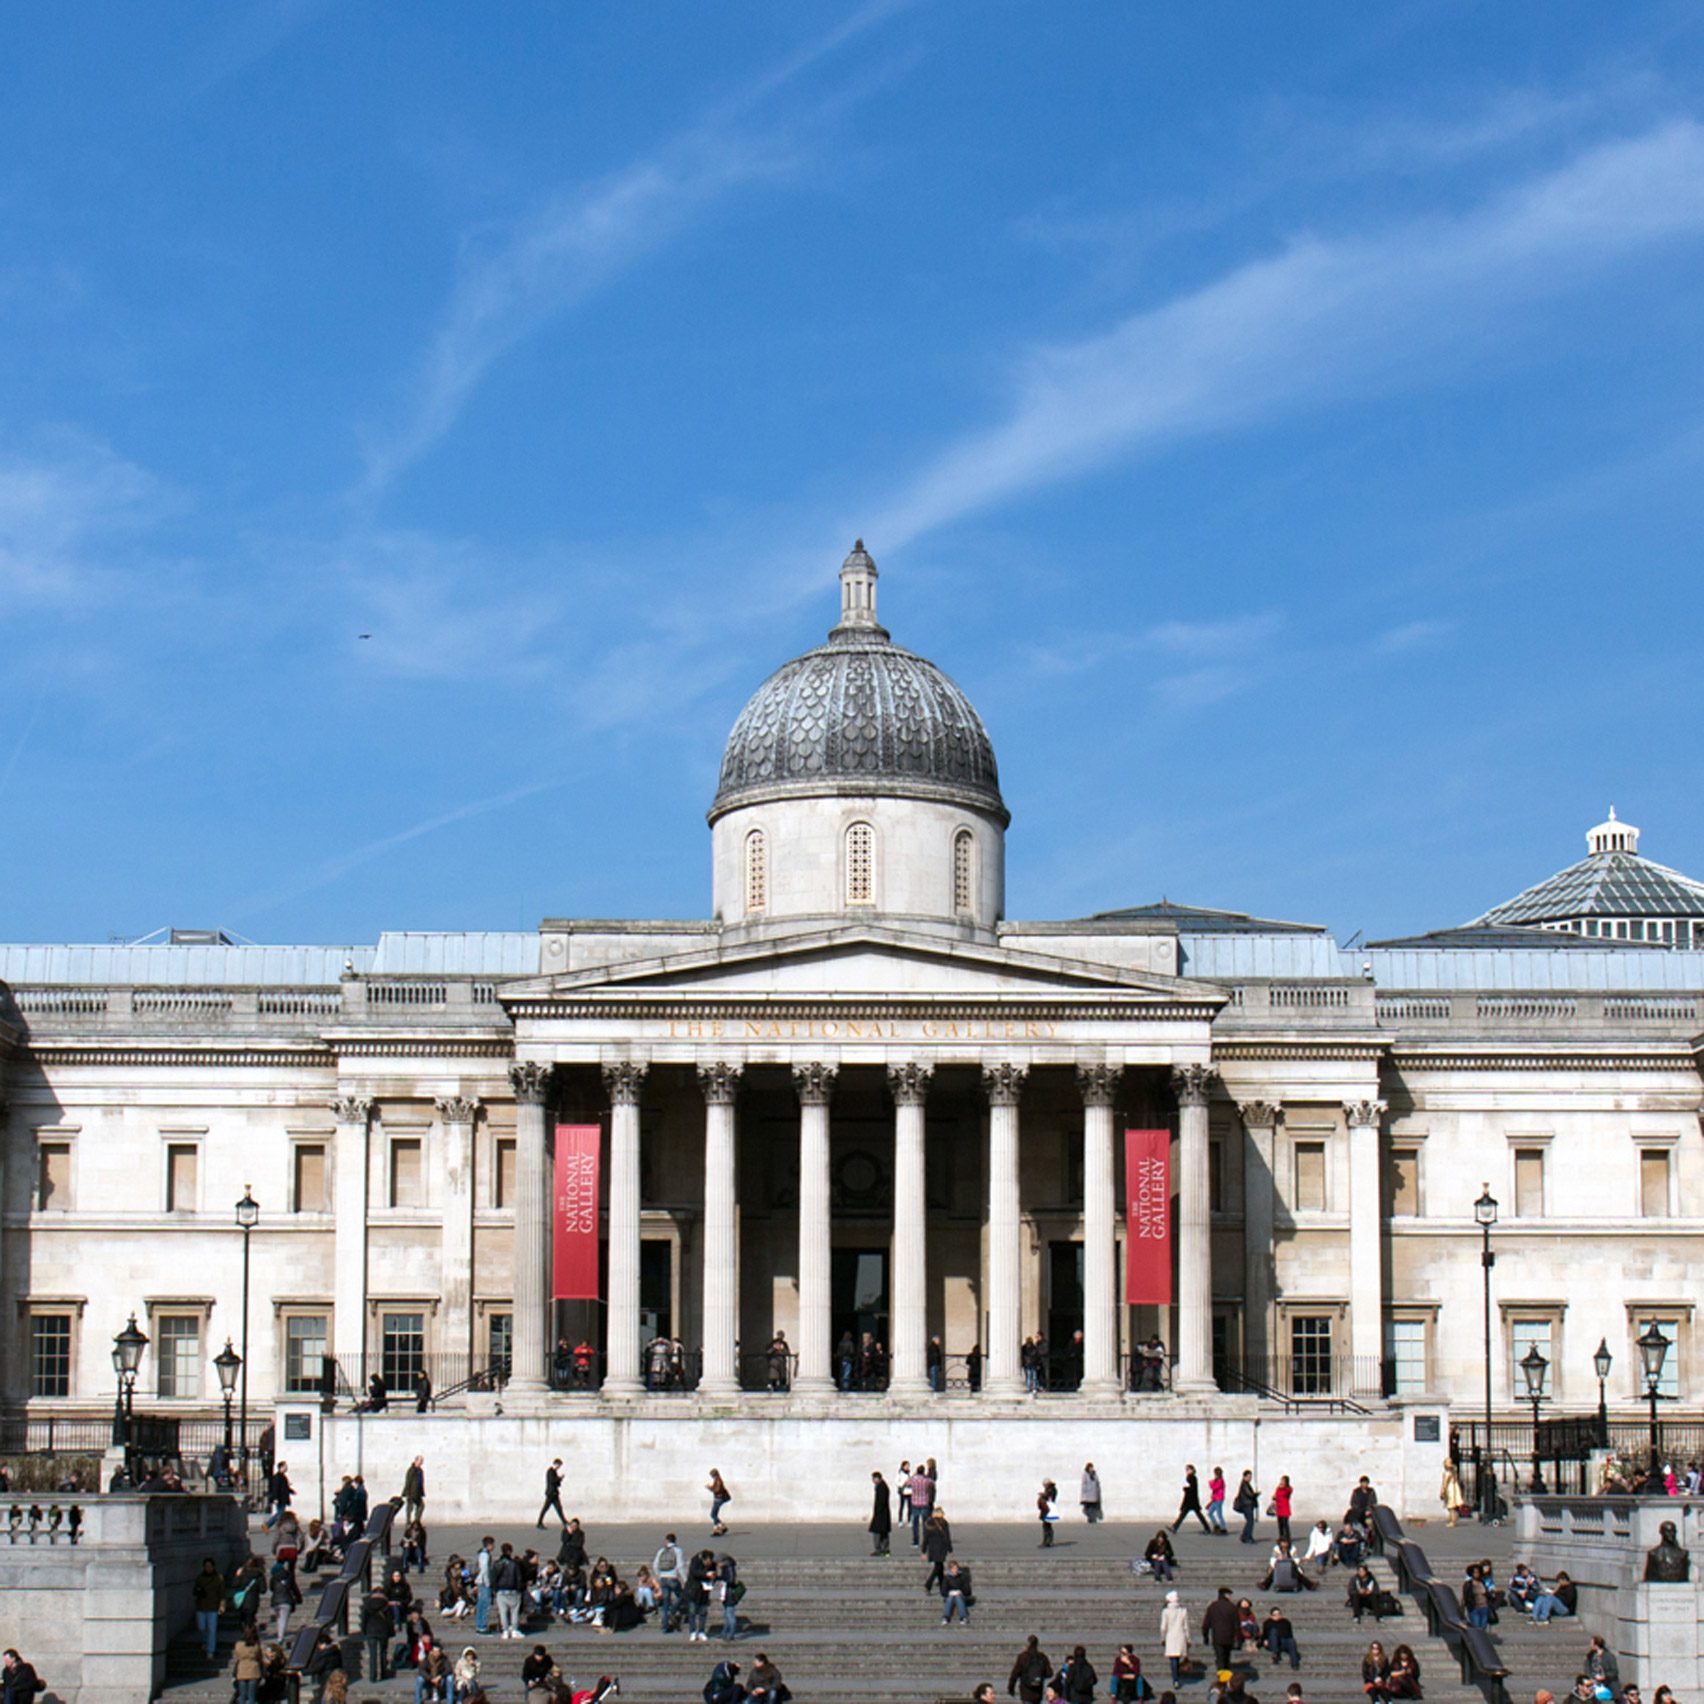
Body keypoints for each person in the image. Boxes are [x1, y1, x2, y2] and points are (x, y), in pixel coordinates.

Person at [193, 1556, 225, 1659]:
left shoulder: (218, 1578)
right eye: (206, 1566)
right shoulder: (200, 1578)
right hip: (201, 1607)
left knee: (212, 1630)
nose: (208, 1568)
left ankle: (210, 1651)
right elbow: (194, 1591)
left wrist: (222, 1605)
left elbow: (222, 1593)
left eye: (210, 1566)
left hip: (213, 1607)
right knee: (202, 1628)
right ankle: (205, 1642)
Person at [1203, 1586, 1240, 1674]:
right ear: (1226, 1595)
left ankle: (1221, 1678)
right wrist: (1238, 1638)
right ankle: (1226, 1676)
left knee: (1220, 1658)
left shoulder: (1212, 1607)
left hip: (1217, 1637)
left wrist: (1206, 1636)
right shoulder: (1232, 1607)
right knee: (1226, 1658)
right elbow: (1237, 1625)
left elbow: (1206, 1624)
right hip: (1229, 1637)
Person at [492, 1541, 525, 1639]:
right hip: (513, 1590)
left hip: (501, 1591)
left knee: (503, 1612)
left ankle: (505, 1630)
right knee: (514, 1611)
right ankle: (514, 1629)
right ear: (510, 1551)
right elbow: (518, 1577)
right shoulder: (514, 1564)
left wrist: (495, 1589)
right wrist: (520, 1589)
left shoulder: (497, 1564)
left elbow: (493, 1577)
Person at [655, 1531, 687, 1631]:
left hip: (663, 1578)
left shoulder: (661, 1550)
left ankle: (665, 1627)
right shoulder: (678, 1550)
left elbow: (655, 1565)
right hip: (673, 1578)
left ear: (666, 1540)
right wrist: (685, 1579)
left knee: (665, 1602)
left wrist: (659, 1575)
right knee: (682, 1596)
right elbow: (680, 1566)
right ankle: (673, 1611)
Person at [303, 1627, 344, 1704]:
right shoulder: (335, 1651)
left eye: (319, 1644)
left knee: (327, 1699)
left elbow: (317, 1667)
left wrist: (302, 1672)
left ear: (324, 1644)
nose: (318, 1647)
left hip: (327, 1679)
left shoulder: (326, 1654)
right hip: (335, 1679)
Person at [361, 1589, 393, 1682]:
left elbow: (364, 1619)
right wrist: (391, 1632)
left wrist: (364, 1630)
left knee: (373, 1654)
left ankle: (372, 1676)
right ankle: (383, 1673)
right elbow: (389, 1620)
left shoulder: (367, 1604)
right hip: (383, 1630)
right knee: (383, 1652)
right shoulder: (386, 1605)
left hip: (371, 1630)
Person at [1009, 1634, 1053, 1703]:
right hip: (1038, 1692)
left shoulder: (1023, 1657)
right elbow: (1049, 1673)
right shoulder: (1042, 1657)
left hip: (1026, 1692)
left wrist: (1011, 1689)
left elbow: (1014, 1674)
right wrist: (1039, 1675)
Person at [1161, 1590, 1191, 1688]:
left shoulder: (1165, 1611)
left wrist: (1162, 1638)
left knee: (1172, 1658)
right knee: (1177, 1657)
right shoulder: (1183, 1611)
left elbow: (1163, 1627)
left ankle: (1175, 1679)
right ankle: (1177, 1677)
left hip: (1170, 1637)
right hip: (1180, 1636)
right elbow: (1186, 1627)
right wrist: (1188, 1639)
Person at [269, 1556, 302, 1643]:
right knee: (283, 1619)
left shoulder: (273, 1578)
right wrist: (299, 1598)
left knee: (278, 1619)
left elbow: (271, 1588)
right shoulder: (289, 1576)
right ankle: (280, 1637)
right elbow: (294, 1588)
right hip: (286, 1601)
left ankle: (280, 1635)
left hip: (275, 1601)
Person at [922, 1508, 954, 1594]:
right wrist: (950, 1549)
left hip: (932, 1549)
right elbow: (947, 1537)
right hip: (941, 1548)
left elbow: (926, 1538)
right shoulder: (943, 1523)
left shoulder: (928, 1523)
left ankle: (943, 1587)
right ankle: (928, 1585)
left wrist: (923, 1550)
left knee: (940, 1567)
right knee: (938, 1567)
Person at [686, 1545, 714, 1641]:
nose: (708, 1564)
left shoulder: (712, 1564)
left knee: (703, 1612)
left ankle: (701, 1631)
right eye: (707, 1562)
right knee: (692, 1612)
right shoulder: (695, 1561)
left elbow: (714, 1574)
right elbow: (694, 1573)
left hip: (704, 1592)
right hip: (693, 1591)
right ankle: (692, 1631)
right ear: (703, 1559)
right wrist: (706, 1574)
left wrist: (712, 1578)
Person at [231, 1625, 265, 1704]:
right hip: (254, 1671)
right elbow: (259, 1657)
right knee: (251, 1697)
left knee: (242, 1696)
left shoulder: (238, 1645)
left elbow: (237, 1655)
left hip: (242, 1671)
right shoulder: (256, 1645)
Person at [1175, 1466, 1211, 1534]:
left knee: (1185, 1514)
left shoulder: (1192, 1478)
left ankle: (1175, 1527)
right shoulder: (1191, 1478)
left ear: (1192, 1470)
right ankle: (1175, 1527)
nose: (1187, 1471)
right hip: (1191, 1500)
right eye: (1186, 1470)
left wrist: (1186, 1489)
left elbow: (1192, 1489)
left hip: (1191, 1500)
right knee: (1186, 1514)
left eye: (1188, 1469)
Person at [941, 1556, 973, 1625]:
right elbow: (943, 1591)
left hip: (962, 1595)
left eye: (956, 1568)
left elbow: (968, 1590)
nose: (955, 1570)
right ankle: (946, 1617)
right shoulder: (946, 1578)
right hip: (950, 1595)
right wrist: (950, 1593)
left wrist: (961, 1591)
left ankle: (963, 1617)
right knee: (950, 1598)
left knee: (958, 1597)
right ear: (950, 1569)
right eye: (953, 1568)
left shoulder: (962, 1576)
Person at [539, 1459, 567, 1529]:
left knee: (559, 1508)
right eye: (559, 1465)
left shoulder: (554, 1472)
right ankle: (539, 1523)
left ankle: (564, 1522)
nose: (559, 1467)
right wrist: (559, 1478)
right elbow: (552, 1481)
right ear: (556, 1464)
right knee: (546, 1508)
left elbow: (556, 1482)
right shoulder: (550, 1471)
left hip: (554, 1493)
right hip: (551, 1493)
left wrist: (559, 1479)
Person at [870, 1470, 893, 1556]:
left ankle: (879, 1549)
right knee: (884, 1532)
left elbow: (881, 1502)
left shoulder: (881, 1487)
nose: (872, 1481)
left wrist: (877, 1513)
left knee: (877, 1532)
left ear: (877, 1478)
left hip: (881, 1514)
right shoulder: (882, 1486)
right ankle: (885, 1549)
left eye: (873, 1479)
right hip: (883, 1514)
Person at [1235, 1471, 1261, 1544]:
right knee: (1250, 1521)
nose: (1250, 1478)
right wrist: (1256, 1494)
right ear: (1244, 1476)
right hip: (1247, 1505)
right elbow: (1249, 1494)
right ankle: (1247, 1537)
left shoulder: (1246, 1484)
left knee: (1249, 1521)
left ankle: (1244, 1536)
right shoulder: (1245, 1484)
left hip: (1247, 1505)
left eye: (1250, 1477)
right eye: (1248, 1476)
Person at [265, 1462, 294, 1527]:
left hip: (282, 1498)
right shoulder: (278, 1477)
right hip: (280, 1498)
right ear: (281, 1467)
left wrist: (291, 1491)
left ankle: (277, 1526)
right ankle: (267, 1525)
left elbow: (284, 1487)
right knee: (280, 1514)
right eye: (285, 1466)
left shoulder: (282, 1476)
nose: (286, 1468)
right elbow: (275, 1488)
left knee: (281, 1513)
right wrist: (275, 1498)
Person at [1440, 1460, 1466, 1527]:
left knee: (1451, 1506)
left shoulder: (1447, 1473)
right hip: (1454, 1488)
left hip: (1449, 1489)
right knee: (1452, 1506)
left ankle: (1452, 1521)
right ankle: (1451, 1519)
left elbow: (1445, 1483)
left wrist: (1442, 1491)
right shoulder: (1453, 1472)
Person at [403, 1456, 427, 1525]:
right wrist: (407, 1492)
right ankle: (408, 1521)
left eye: (422, 1461)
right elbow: (408, 1481)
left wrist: (422, 1492)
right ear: (416, 1461)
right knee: (410, 1507)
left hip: (418, 1493)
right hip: (411, 1492)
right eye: (420, 1461)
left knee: (421, 1506)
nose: (422, 1463)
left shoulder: (420, 1471)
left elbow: (421, 1482)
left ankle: (417, 1520)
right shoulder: (411, 1470)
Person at [708, 1468, 731, 1536]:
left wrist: (710, 1488)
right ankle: (716, 1529)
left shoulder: (718, 1481)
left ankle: (722, 1526)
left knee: (712, 1514)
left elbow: (717, 1490)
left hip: (719, 1499)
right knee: (715, 1514)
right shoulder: (717, 1480)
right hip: (718, 1499)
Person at [1273, 1475, 1294, 1545]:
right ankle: (1281, 1537)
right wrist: (1274, 1497)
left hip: (1285, 1509)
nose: (1281, 1482)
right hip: (1279, 1508)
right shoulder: (1278, 1488)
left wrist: (1283, 1487)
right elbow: (1276, 1496)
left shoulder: (1288, 1489)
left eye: (1283, 1481)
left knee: (1285, 1524)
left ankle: (1287, 1538)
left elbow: (1287, 1492)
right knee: (1280, 1525)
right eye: (1281, 1480)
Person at [1206, 1468, 1228, 1534]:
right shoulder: (1217, 1480)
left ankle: (1223, 1528)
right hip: (1215, 1499)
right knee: (1210, 1513)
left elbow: (1214, 1487)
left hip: (1219, 1499)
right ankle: (1216, 1525)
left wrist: (1210, 1483)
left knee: (1219, 1514)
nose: (1215, 1475)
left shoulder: (1220, 1481)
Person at [1038, 1479, 1060, 1546]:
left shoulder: (1051, 1489)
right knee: (1047, 1525)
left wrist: (1042, 1495)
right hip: (1049, 1508)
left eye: (1044, 1485)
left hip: (1048, 1509)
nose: (1044, 1486)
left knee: (1046, 1525)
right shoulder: (1052, 1489)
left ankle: (1048, 1541)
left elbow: (1049, 1497)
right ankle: (1047, 1541)